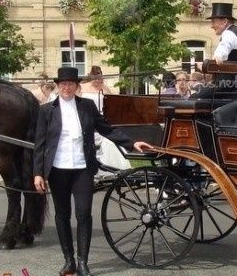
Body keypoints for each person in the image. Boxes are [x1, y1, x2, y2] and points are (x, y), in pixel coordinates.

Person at [34, 67, 153, 276]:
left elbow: (107, 129)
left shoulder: (87, 106)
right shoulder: (46, 110)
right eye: (63, 84)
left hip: (82, 169)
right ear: (58, 86)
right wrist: (38, 173)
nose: (66, 88)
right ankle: (68, 260)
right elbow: (40, 144)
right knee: (62, 215)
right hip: (57, 169)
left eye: (70, 84)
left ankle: (82, 262)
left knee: (83, 214)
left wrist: (132, 143)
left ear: (77, 86)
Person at [79, 66, 131, 175]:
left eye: (99, 78)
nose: (97, 81)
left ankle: (111, 169)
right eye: (95, 78)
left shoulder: (105, 88)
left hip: (101, 118)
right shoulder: (82, 87)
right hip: (87, 118)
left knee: (108, 142)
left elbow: (112, 103)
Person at [206, 2, 237, 90]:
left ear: (225, 21)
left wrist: (217, 57)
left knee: (195, 97)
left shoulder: (229, 34)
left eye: (213, 22)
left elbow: (224, 48)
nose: (211, 26)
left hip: (229, 87)